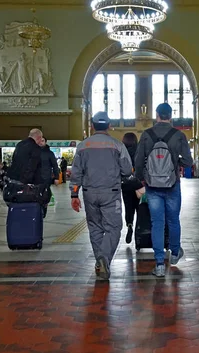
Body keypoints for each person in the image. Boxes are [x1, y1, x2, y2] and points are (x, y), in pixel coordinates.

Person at [70, 112, 133, 280]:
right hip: (111, 194)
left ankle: (100, 260)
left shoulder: (82, 146)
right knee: (113, 228)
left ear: (92, 125)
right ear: (109, 125)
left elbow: (76, 173)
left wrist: (74, 194)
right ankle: (104, 258)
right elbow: (127, 170)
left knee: (95, 227)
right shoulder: (117, 145)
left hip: (89, 193)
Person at [135, 103, 193, 278]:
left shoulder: (146, 135)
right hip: (172, 183)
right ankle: (174, 253)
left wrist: (142, 178)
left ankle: (159, 264)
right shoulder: (179, 135)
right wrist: (176, 164)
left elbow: (138, 161)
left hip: (152, 186)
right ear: (171, 116)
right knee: (173, 220)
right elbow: (189, 162)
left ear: (157, 115)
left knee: (157, 223)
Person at [121, 132, 143, 244]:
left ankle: (129, 225)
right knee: (140, 208)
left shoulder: (121, 151)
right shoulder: (139, 149)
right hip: (138, 184)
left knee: (128, 207)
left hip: (126, 184)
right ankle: (138, 232)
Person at [39, 138, 60, 218]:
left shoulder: (49, 153)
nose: (41, 142)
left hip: (46, 178)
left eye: (42, 141)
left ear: (45, 142)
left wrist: (56, 177)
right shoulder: (33, 151)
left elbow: (55, 166)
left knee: (45, 194)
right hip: (35, 178)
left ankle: (44, 209)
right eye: (39, 140)